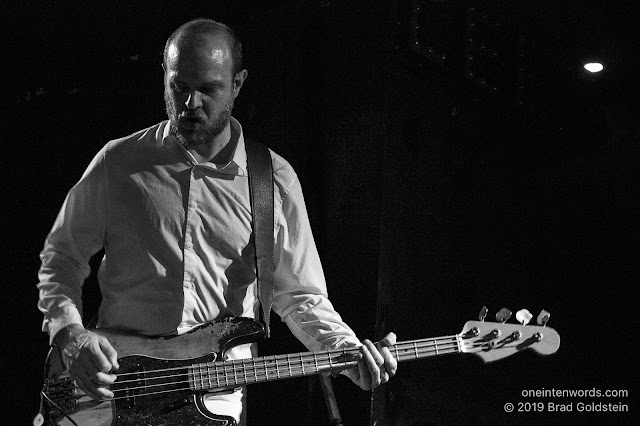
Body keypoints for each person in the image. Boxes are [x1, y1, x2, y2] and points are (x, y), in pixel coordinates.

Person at [37, 18, 396, 424]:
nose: (191, 104)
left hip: (213, 399)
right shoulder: (119, 162)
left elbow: (301, 296)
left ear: (238, 84)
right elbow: (61, 256)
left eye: (208, 89)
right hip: (113, 389)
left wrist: (350, 355)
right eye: (179, 86)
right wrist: (69, 334)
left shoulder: (272, 180)